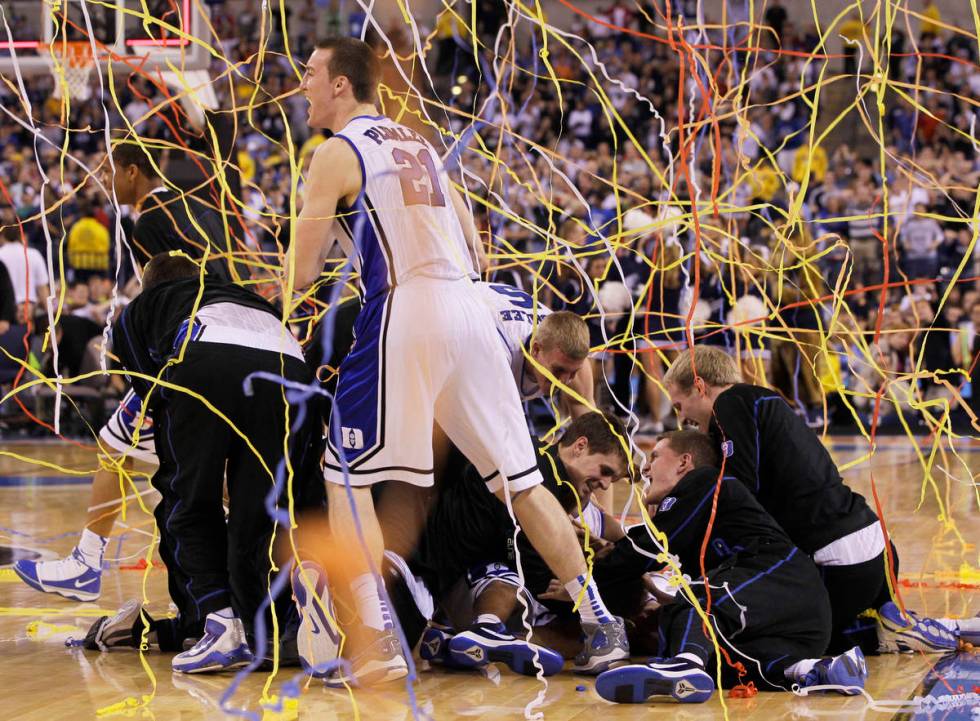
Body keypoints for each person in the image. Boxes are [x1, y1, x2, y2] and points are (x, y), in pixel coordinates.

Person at [285, 36, 628, 684]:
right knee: (521, 483)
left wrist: (307, 255)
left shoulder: (333, 153)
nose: (301, 86)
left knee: (345, 476)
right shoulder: (421, 146)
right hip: (471, 310)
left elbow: (303, 275)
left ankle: (379, 639)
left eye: (309, 74)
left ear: (340, 84)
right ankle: (599, 619)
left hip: (407, 311)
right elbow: (476, 244)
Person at [13, 140, 244, 602]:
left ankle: (86, 563)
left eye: (108, 171)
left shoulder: (151, 221)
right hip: (236, 338)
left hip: (189, 353)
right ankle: (288, 555)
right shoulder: (196, 209)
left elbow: (173, 296)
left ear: (134, 172)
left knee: (118, 448)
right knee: (203, 470)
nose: (103, 181)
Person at [86, 252, 324, 673]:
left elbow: (157, 396)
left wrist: (204, 462)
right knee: (266, 511)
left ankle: (215, 619)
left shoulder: (141, 308)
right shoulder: (250, 300)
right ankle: (275, 629)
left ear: (148, 286)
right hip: (291, 370)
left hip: (205, 360)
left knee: (187, 498)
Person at [662, 345, 964, 654]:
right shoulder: (765, 400)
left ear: (699, 386)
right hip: (877, 548)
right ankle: (898, 622)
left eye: (679, 404)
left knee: (764, 636)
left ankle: (879, 635)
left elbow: (738, 491)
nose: (681, 416)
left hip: (838, 559)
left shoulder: (730, 403)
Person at [592, 431, 867, 704]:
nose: (646, 468)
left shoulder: (704, 480)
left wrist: (582, 584)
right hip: (798, 627)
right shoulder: (697, 517)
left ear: (684, 463)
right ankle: (818, 669)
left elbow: (647, 547)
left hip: (784, 578)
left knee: (696, 599)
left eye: (655, 456)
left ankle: (685, 664)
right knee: (716, 659)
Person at [413, 412, 631, 677]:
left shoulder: (551, 472)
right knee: (513, 583)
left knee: (518, 584)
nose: (606, 485)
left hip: (449, 569)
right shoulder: (537, 480)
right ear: (580, 446)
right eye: (605, 471)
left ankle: (465, 639)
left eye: (613, 479)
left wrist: (599, 546)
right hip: (433, 568)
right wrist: (584, 587)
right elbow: (535, 573)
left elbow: (609, 527)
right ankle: (486, 629)